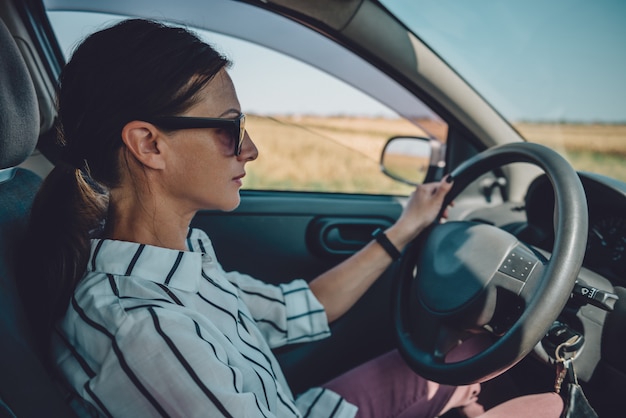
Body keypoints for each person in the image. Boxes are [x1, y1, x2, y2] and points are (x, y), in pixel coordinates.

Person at [20, 19, 563, 418]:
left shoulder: (178, 261)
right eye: (229, 128)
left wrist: (405, 228)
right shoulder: (145, 328)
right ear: (148, 145)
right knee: (545, 406)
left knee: (466, 358)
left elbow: (296, 309)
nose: (249, 150)